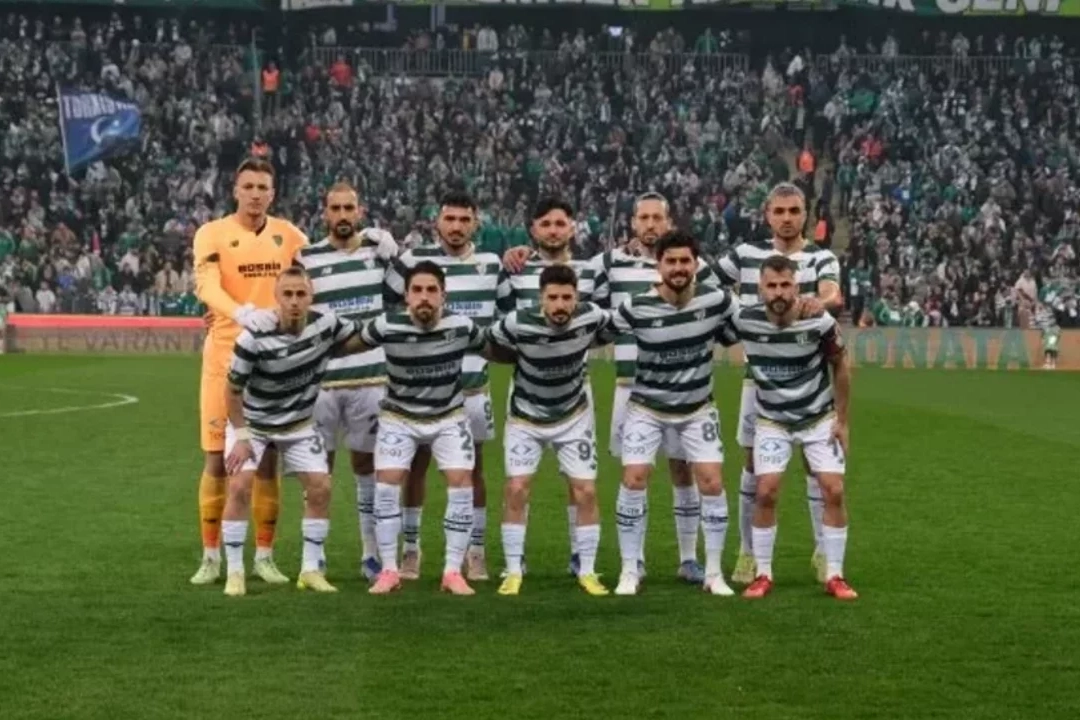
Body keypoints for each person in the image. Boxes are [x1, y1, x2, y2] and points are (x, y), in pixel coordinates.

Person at [506, 192, 716, 584]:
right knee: (634, 474)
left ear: (668, 223)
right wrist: (521, 253)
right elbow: (571, 292)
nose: (650, 225)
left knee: (682, 470)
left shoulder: (692, 265)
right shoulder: (609, 263)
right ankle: (634, 561)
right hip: (629, 386)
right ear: (632, 223)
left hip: (680, 386)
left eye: (657, 218)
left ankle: (688, 558)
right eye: (643, 218)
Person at [189, 157, 308, 587]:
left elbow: (317, 275)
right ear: (235, 190)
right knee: (216, 461)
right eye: (249, 186)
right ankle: (210, 557)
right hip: (223, 357)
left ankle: (264, 557)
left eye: (263, 187)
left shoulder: (290, 235)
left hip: (272, 362)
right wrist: (239, 312)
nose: (255, 194)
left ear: (272, 194)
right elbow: (206, 284)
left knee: (267, 462)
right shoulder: (211, 233)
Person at [716, 182, 842, 586]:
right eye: (779, 211)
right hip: (758, 379)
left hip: (805, 374)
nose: (787, 218)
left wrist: (818, 303)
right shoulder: (745, 254)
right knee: (754, 467)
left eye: (794, 211)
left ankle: (823, 551)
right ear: (767, 215)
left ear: (805, 214)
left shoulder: (820, 257)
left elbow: (832, 293)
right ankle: (747, 551)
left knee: (814, 465)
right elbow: (707, 280)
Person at [219, 266, 368, 597]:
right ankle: (235, 572)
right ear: (276, 297)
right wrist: (241, 437)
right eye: (287, 294)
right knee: (240, 486)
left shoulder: (326, 324)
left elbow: (362, 335)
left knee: (321, 487)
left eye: (301, 294)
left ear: (311, 296)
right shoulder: (252, 337)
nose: (294, 301)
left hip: (298, 425)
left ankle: (310, 570)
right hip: (253, 425)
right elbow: (231, 391)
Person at [608, 231, 738, 597]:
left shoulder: (718, 300)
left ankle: (714, 573)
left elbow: (751, 321)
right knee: (634, 479)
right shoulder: (636, 306)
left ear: (695, 264)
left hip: (698, 408)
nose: (678, 268)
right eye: (671, 261)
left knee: (711, 482)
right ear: (659, 264)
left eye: (685, 261)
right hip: (646, 408)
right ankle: (629, 569)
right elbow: (596, 331)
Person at [384, 191, 500, 582]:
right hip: (421, 390)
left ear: (475, 224)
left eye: (464, 220)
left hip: (472, 389)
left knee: (473, 471)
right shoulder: (413, 261)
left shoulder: (491, 265)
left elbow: (508, 312)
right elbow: (386, 300)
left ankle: (475, 552)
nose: (456, 226)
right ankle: (411, 549)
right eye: (449, 219)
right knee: (414, 468)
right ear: (437, 222)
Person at [725, 255, 856, 601]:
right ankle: (763, 574)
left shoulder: (819, 321)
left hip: (817, 419)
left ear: (796, 287)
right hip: (772, 421)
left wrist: (842, 421)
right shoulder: (745, 320)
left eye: (786, 285)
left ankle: (835, 575)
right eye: (772, 285)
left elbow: (841, 363)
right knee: (766, 491)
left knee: (834, 490)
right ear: (760, 288)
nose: (779, 292)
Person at [363, 262, 487, 596]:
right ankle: (390, 570)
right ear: (406, 296)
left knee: (461, 483)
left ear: (444, 295)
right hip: (399, 416)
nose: (424, 297)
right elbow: (348, 343)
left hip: (449, 415)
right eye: (417, 290)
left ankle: (452, 572)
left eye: (432, 290)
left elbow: (496, 348)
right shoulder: (386, 325)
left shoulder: (462, 326)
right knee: (387, 484)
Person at [487, 264, 612, 597]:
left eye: (567, 298)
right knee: (517, 488)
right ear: (541, 298)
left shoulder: (591, 316)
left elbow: (613, 328)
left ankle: (587, 571)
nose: (560, 305)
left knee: (586, 491)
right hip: (525, 418)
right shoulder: (516, 322)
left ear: (577, 298)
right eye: (553, 298)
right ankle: (513, 571)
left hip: (573, 416)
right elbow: (489, 344)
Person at [300, 182, 398, 581]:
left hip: (370, 377)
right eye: (335, 208)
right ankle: (314, 555)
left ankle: (370, 553)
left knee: (366, 466)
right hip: (322, 383)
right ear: (325, 213)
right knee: (317, 469)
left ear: (360, 212)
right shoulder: (306, 257)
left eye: (349, 208)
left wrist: (395, 255)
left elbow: (405, 293)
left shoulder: (378, 252)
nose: (342, 215)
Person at [495, 196, 597, 577]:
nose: (553, 231)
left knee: (578, 481)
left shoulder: (592, 271)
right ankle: (515, 559)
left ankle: (579, 555)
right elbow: (504, 328)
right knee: (519, 481)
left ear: (572, 227)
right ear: (533, 230)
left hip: (576, 390)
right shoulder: (516, 270)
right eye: (546, 224)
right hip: (527, 390)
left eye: (560, 223)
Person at [1036, 304, 1060, 370]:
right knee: (1047, 350)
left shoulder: (1056, 326)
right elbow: (1043, 332)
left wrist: (1055, 337)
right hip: (1047, 337)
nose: (1050, 320)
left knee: (1052, 350)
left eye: (1052, 319)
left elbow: (1057, 334)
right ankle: (1047, 364)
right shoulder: (1046, 325)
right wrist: (1043, 338)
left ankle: (1053, 364)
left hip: (1053, 338)